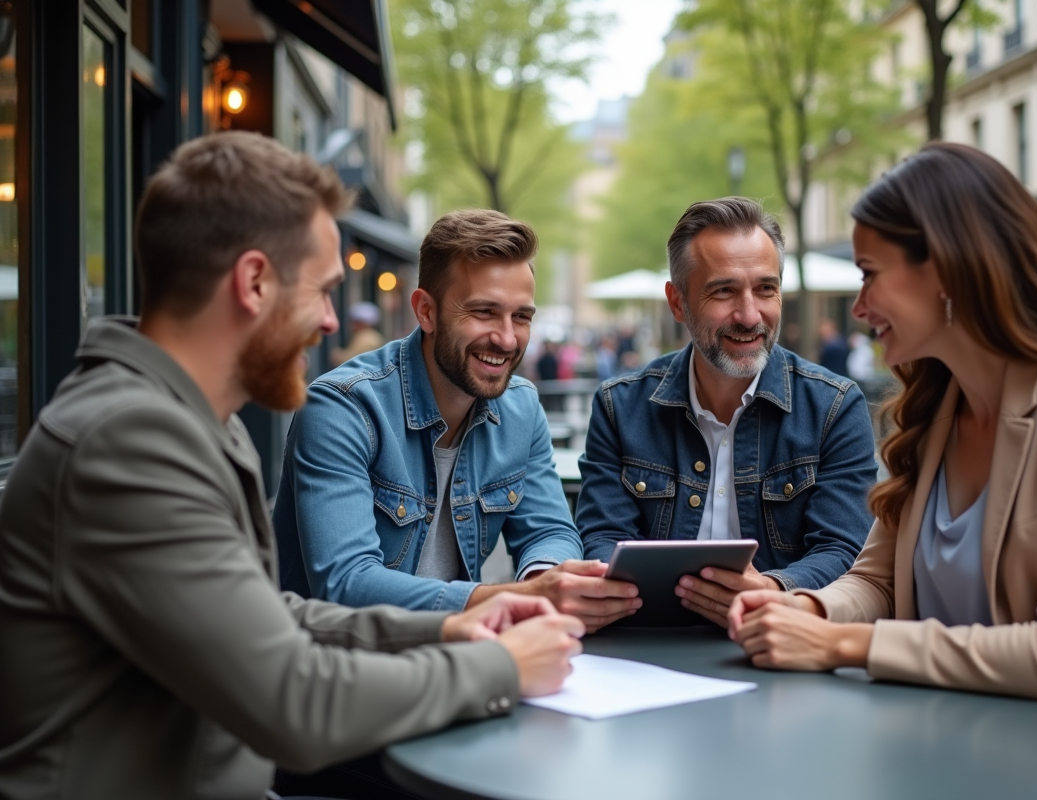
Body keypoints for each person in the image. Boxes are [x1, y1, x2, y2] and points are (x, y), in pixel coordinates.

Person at [0, 132, 584, 800]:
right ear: (253, 282)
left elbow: (270, 617)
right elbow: (293, 699)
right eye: (324, 292)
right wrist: (498, 667)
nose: (334, 323)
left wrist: (454, 626)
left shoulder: (189, 423)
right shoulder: (130, 443)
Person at [728, 143, 1037, 799]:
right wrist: (803, 607)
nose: (860, 308)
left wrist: (841, 645)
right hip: (961, 764)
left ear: (945, 269)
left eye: (870, 273)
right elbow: (877, 582)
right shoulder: (938, 406)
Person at [273, 209, 640, 632]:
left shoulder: (521, 407)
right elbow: (346, 583)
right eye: (484, 312)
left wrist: (545, 580)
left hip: (462, 658)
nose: (506, 339)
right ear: (426, 311)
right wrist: (514, 599)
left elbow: (550, 531)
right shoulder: (342, 408)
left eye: (521, 317)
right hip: (340, 671)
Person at [576, 197, 877, 626]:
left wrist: (773, 591)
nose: (750, 314)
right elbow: (602, 537)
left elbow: (844, 549)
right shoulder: (619, 406)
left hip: (784, 642)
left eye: (766, 289)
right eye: (724, 291)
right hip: (648, 645)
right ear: (678, 302)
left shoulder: (834, 407)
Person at [330, 300, 385, 365]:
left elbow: (349, 359)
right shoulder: (374, 335)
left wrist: (337, 355)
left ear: (361, 323)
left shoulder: (364, 338)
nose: (351, 325)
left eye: (354, 322)